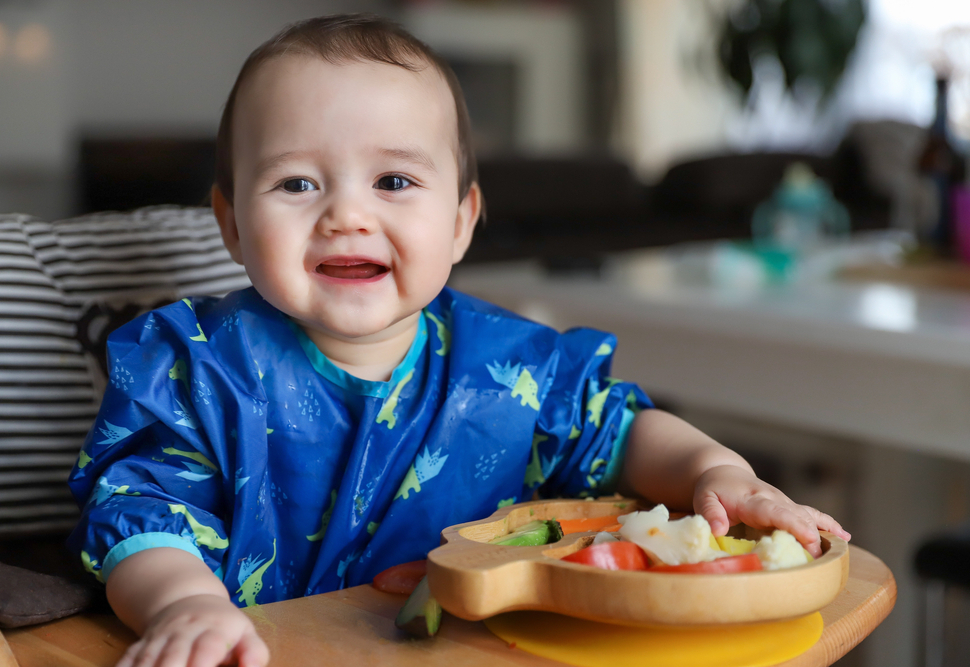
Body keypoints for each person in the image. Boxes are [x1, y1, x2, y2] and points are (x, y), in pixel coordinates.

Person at [67, 14, 851, 667]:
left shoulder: (511, 366)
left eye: (394, 181)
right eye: (297, 182)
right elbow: (143, 514)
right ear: (233, 223)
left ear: (460, 221)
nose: (347, 215)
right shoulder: (196, 366)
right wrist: (184, 604)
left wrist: (720, 470)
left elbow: (620, 431)